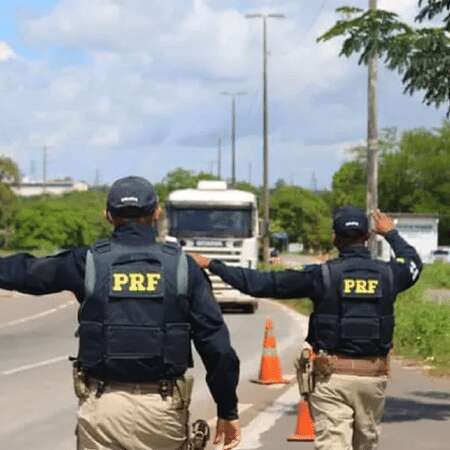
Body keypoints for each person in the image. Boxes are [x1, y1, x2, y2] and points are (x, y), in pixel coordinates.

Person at [0, 176, 241, 450]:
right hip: (162, 411)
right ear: (157, 213)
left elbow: (27, 273)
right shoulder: (183, 268)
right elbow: (217, 348)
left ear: (107, 216)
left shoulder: (88, 262)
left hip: (102, 408)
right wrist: (227, 411)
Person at [191, 206, 422, 450]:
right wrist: (392, 234)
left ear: (334, 238)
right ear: (367, 237)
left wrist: (212, 264)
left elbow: (260, 284)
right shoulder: (390, 274)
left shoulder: (321, 275)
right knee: (366, 444)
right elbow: (413, 262)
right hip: (373, 378)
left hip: (331, 378)